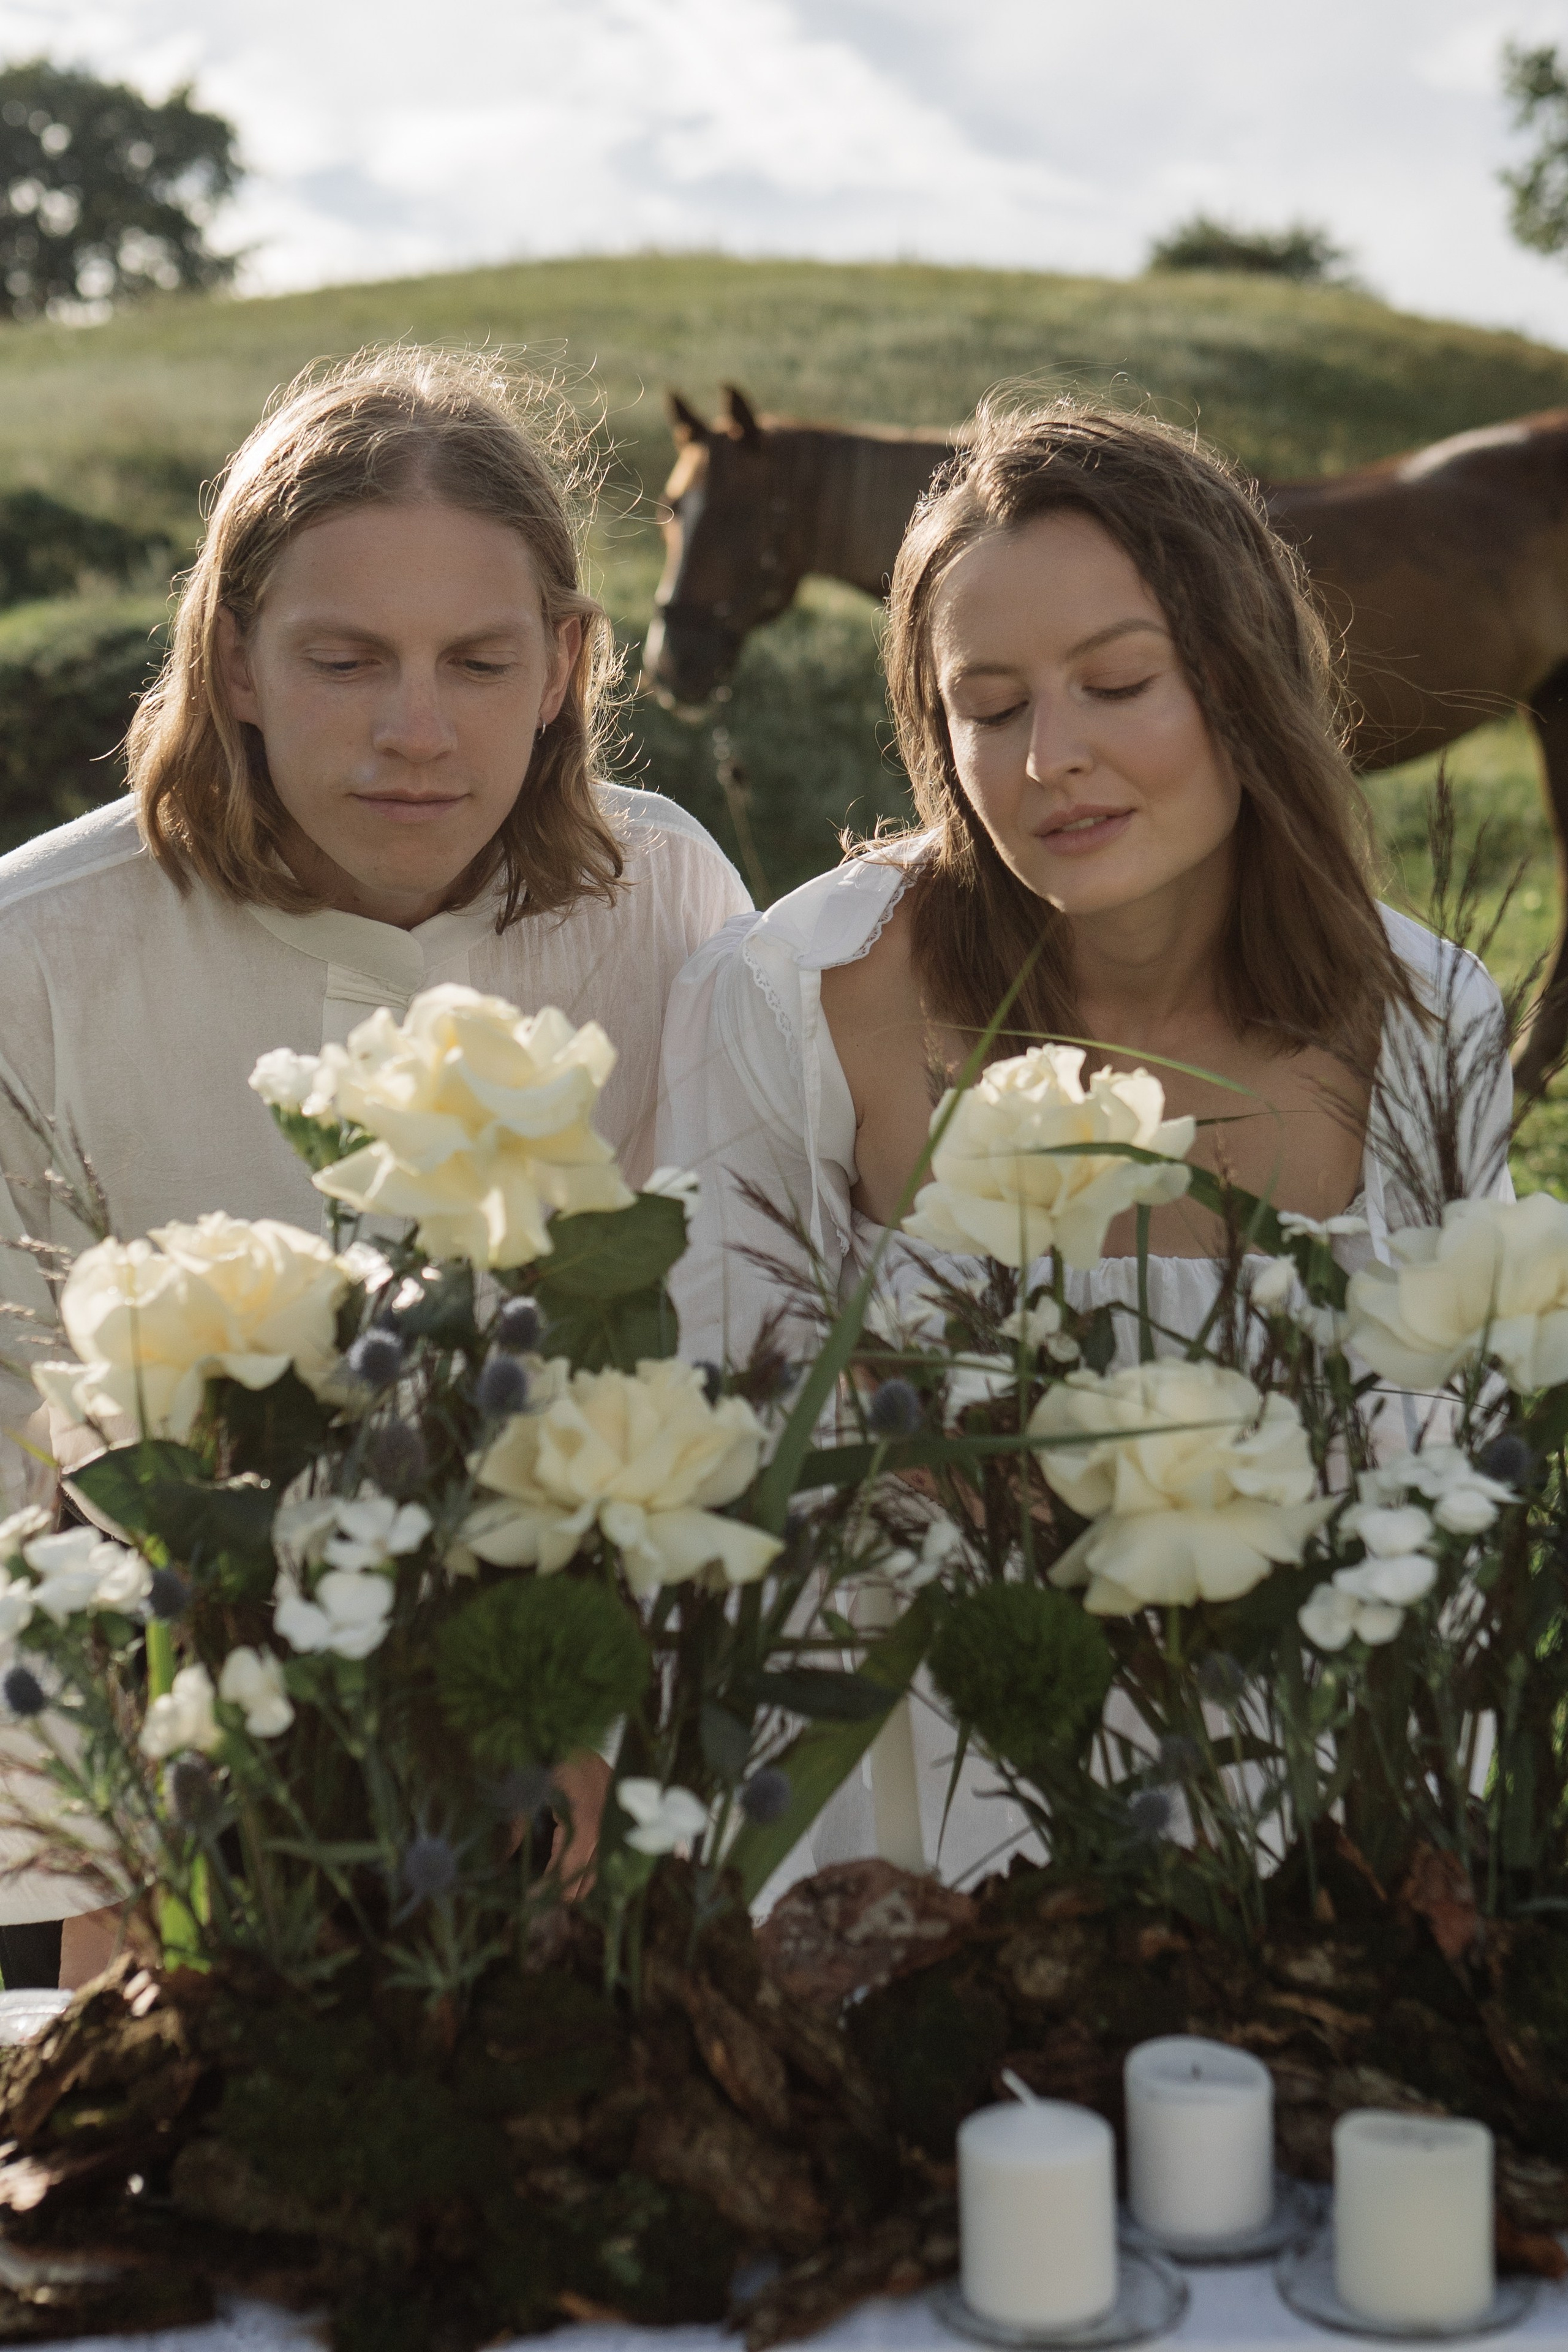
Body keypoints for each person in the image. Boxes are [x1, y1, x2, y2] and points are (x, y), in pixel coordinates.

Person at [657, 398, 1512, 1885]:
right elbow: (705, 1446)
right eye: (988, 710)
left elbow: (1451, 1505)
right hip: (886, 1826)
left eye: (1116, 683)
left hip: (1296, 1829)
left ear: (1242, 678)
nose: (1050, 756)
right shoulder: (794, 998)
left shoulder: (1426, 1022)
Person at [0, 347, 750, 1985]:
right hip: (174, 1794)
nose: (417, 732)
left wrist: (603, 1741)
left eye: (477, 662)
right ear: (237, 659)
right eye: (344, 660)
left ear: (563, 667)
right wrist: (110, 1901)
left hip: (585, 1778)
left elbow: (727, 1344)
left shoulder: (674, 903)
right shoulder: (37, 957)